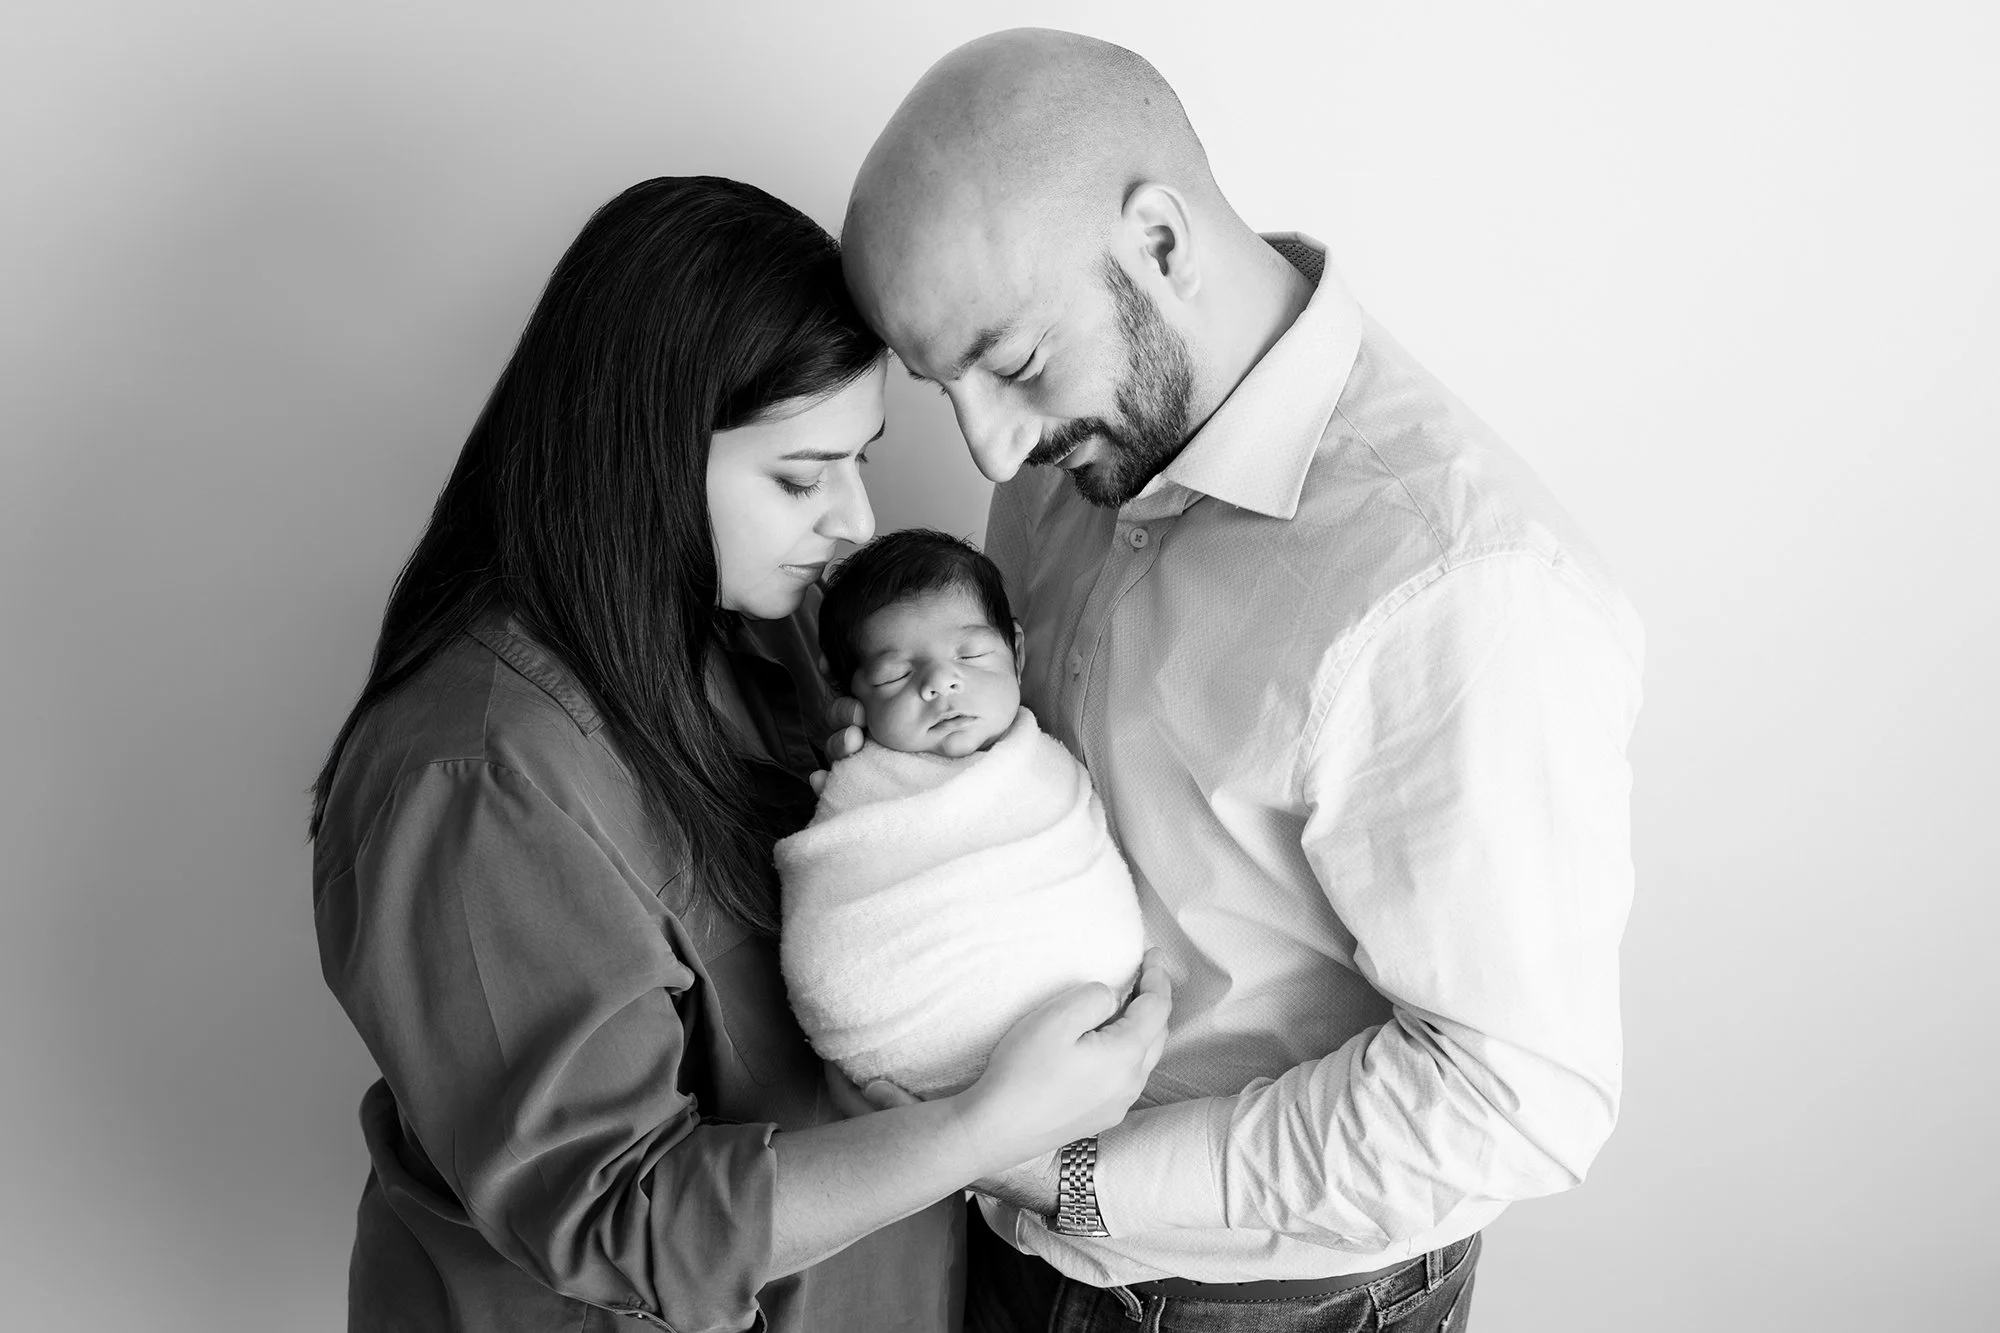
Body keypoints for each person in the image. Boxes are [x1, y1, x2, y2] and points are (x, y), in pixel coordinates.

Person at [835, 29, 1645, 1331]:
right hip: (987, 1232)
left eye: (1014, 363)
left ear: (1160, 244)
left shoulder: (1460, 585)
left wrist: (1080, 1181)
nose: (986, 450)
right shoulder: (1062, 455)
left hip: (1264, 1304)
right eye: (945, 389)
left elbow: (1509, 1101)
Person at [309, 175, 1170, 1333]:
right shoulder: (477, 776)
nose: (854, 521)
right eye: (801, 477)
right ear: (643, 455)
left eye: (859, 461)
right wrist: (984, 1129)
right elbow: (617, 1215)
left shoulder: (772, 633)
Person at [775, 529, 1145, 1101]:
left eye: (970, 655)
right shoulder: (859, 790)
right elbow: (836, 909)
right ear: (850, 696)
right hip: (915, 1059)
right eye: (896, 675)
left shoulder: (1044, 766)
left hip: (1090, 1044)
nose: (940, 683)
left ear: (1016, 654)